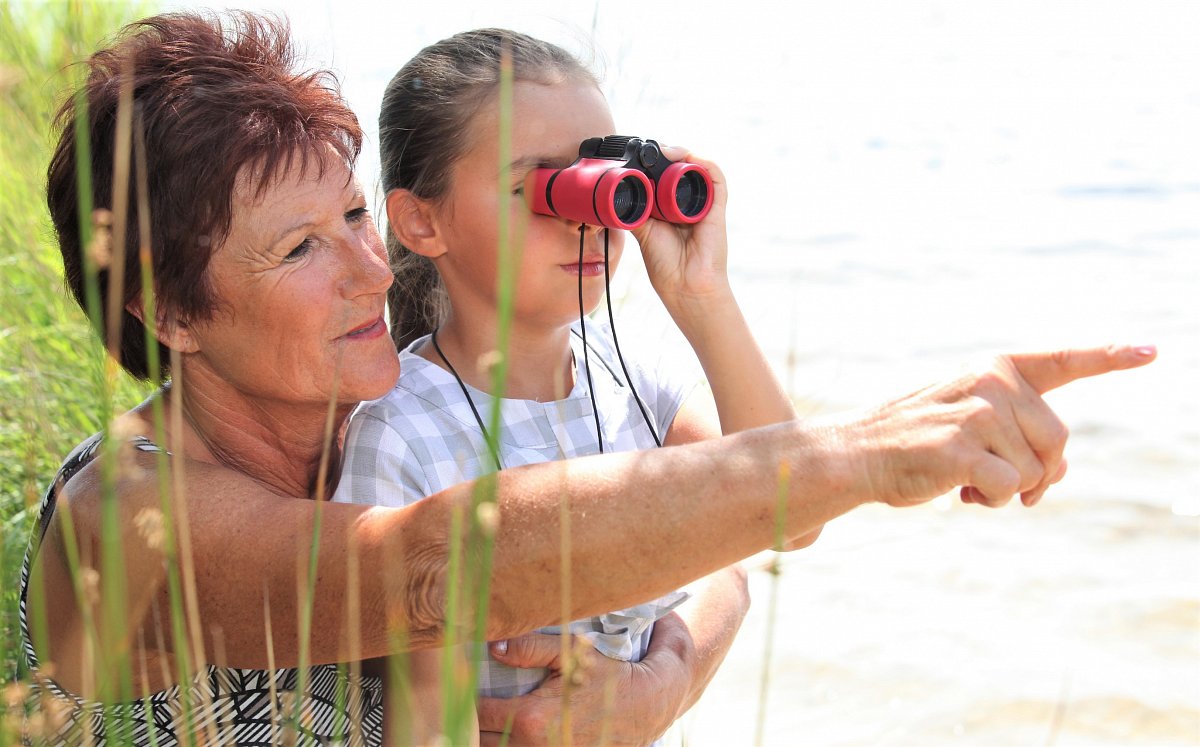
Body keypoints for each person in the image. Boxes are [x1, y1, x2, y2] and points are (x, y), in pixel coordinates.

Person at [18, 8, 1154, 747]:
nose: (369, 269)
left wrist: (659, 682)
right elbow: (438, 566)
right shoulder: (123, 522)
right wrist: (860, 452)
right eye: (300, 248)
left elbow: (720, 558)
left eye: (357, 214)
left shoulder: (380, 410)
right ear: (168, 311)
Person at [332, 27, 819, 741]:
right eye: (538, 187)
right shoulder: (401, 433)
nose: (582, 219)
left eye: (602, 181)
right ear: (421, 220)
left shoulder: (631, 386)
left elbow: (791, 514)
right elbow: (430, 719)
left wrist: (701, 294)